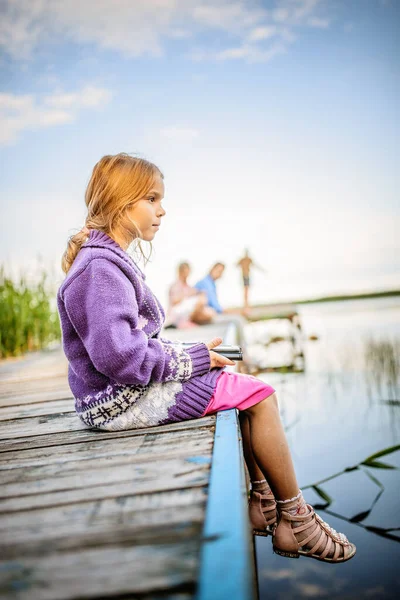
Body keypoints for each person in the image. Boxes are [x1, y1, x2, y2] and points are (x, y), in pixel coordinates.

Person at [57, 153, 355, 563]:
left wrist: (196, 353)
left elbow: (134, 344)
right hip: (116, 401)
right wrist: (196, 361)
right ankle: (295, 520)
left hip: (120, 392)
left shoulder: (105, 262)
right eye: (152, 198)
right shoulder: (99, 270)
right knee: (260, 394)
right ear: (122, 203)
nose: (162, 209)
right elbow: (123, 359)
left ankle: (264, 505)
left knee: (243, 389)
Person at [165, 262, 215, 328]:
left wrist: (199, 293)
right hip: (177, 312)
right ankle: (185, 322)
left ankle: (190, 320)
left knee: (210, 312)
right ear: (180, 272)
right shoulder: (175, 286)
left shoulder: (188, 286)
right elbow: (175, 301)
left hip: (186, 311)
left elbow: (196, 294)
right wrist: (188, 296)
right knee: (201, 302)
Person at [237, 248, 266, 313]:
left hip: (247, 276)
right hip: (244, 276)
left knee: (246, 291)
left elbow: (255, 265)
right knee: (246, 291)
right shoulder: (243, 259)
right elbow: (236, 265)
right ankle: (246, 305)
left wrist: (263, 270)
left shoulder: (248, 259)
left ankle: (246, 305)